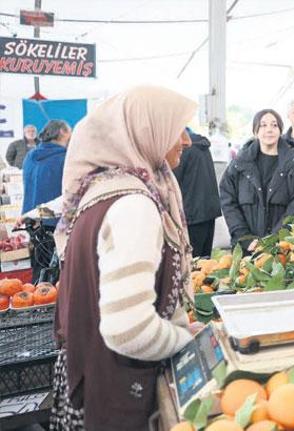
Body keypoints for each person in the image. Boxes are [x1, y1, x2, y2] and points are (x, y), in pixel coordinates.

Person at [50, 86, 197, 430]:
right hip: (114, 394)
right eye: (177, 128)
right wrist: (189, 341)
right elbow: (127, 330)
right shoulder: (134, 206)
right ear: (146, 131)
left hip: (91, 381)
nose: (187, 140)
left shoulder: (101, 191)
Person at [221, 109, 294, 251]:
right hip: (246, 249)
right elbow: (228, 201)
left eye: (274, 125)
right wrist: (244, 237)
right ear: (255, 131)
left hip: (281, 248)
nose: (269, 130)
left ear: (280, 131)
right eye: (263, 125)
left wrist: (274, 240)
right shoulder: (239, 165)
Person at [173, 128, 221, 257]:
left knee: (191, 266)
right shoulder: (201, 145)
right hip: (207, 213)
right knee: (204, 265)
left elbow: (172, 183)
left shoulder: (181, 148)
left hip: (190, 216)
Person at [22, 120, 70, 214]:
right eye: (70, 131)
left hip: (30, 216)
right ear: (62, 132)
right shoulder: (64, 158)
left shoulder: (30, 156)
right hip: (54, 219)